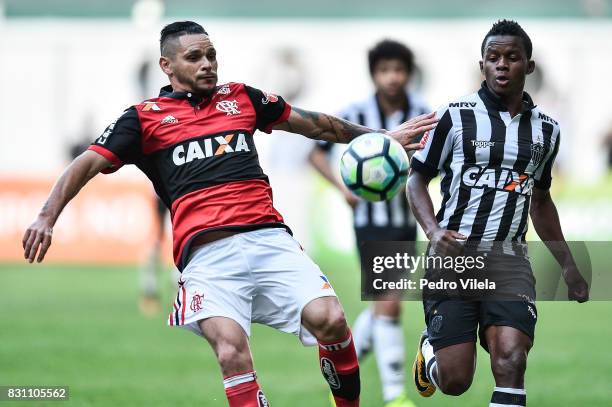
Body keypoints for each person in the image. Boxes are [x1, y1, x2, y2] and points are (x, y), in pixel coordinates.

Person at [22, 21, 436, 407]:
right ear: (166, 65)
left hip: (269, 237)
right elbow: (86, 164)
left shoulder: (241, 98)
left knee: (330, 319)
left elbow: (317, 126)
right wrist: (46, 216)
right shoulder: (143, 119)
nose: (207, 64)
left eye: (212, 55)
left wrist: (380, 138)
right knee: (230, 351)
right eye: (194, 57)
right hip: (206, 259)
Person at [408, 20, 589, 406]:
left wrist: (569, 265)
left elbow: (540, 200)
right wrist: (433, 230)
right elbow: (416, 180)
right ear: (483, 66)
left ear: (530, 66)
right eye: (493, 58)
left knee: (511, 358)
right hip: (454, 259)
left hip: (509, 260)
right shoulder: (454, 117)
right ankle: (431, 354)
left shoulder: (548, 132)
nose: (502, 65)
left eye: (511, 57)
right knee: (455, 381)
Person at [309, 39, 427, 407]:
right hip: (369, 224)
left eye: (398, 70)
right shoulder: (356, 113)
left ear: (408, 73)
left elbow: (437, 163)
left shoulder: (423, 115)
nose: (392, 77)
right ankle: (395, 395)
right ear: (374, 74)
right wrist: (342, 189)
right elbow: (315, 153)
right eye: (384, 70)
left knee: (384, 304)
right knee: (389, 303)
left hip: (406, 221)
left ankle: (347, 365)